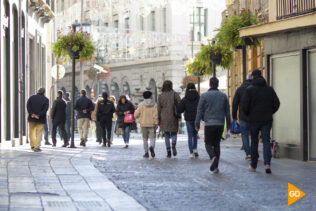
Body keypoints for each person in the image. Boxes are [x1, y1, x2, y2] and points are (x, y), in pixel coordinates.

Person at [241, 69, 280, 174]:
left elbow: (244, 106)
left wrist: (249, 114)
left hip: (253, 120)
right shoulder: (269, 89)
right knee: (266, 141)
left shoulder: (249, 90)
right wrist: (270, 112)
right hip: (267, 119)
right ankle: (267, 164)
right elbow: (277, 103)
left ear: (253, 77)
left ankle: (253, 165)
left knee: (254, 141)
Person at [195, 77, 231, 174]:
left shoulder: (204, 96)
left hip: (209, 123)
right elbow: (227, 112)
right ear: (218, 85)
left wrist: (197, 123)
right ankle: (216, 167)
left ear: (210, 84)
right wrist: (229, 125)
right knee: (216, 144)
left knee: (208, 143)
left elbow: (199, 110)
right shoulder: (223, 96)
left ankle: (212, 157)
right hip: (220, 124)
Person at [157, 80, 181, 158]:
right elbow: (180, 104)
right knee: (174, 132)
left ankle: (168, 151)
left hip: (164, 117)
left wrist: (158, 119)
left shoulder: (160, 96)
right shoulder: (175, 94)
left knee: (166, 134)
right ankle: (173, 143)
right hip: (173, 116)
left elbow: (158, 109)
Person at [232, 73, 252, 160]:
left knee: (244, 134)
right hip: (255, 116)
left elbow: (235, 104)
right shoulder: (257, 88)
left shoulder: (240, 89)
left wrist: (234, 117)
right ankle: (253, 152)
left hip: (243, 116)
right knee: (254, 134)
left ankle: (248, 154)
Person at [177, 83, 200, 158]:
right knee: (195, 134)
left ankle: (191, 153)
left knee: (190, 135)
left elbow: (179, 109)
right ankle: (195, 149)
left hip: (188, 119)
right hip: (196, 118)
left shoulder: (185, 98)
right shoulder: (198, 97)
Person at [135, 91, 158, 158]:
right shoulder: (154, 105)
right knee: (152, 138)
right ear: (150, 96)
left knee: (145, 139)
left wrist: (139, 118)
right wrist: (156, 123)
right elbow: (155, 115)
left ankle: (146, 152)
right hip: (152, 124)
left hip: (143, 124)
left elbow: (136, 115)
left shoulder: (141, 104)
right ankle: (151, 147)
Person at [26, 88, 49, 152]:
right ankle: (37, 146)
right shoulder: (46, 99)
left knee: (31, 132)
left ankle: (32, 145)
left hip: (31, 118)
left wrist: (32, 114)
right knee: (39, 133)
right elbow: (45, 109)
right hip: (40, 119)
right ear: (44, 92)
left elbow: (28, 106)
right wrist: (38, 115)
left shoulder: (31, 97)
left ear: (38, 91)